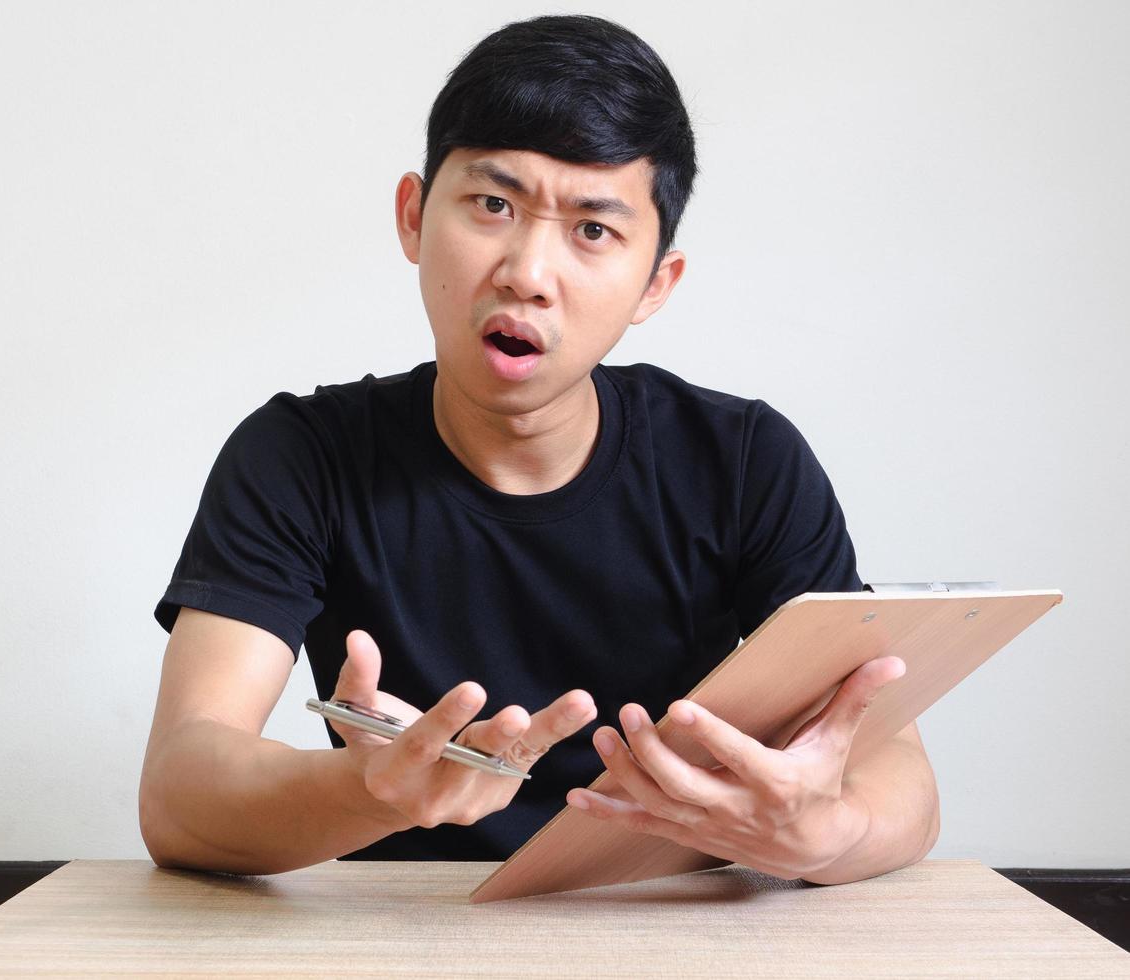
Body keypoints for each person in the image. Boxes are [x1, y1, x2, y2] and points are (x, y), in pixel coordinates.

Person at [139, 13, 939, 884]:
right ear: (413, 216)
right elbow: (182, 793)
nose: (527, 271)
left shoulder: (745, 461)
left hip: (675, 926)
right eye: (493, 204)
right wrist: (372, 790)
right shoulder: (298, 457)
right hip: (404, 930)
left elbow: (900, 777)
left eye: (592, 230)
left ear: (654, 283)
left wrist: (825, 833)